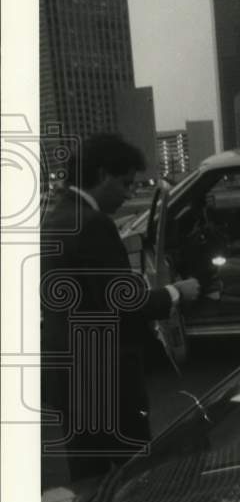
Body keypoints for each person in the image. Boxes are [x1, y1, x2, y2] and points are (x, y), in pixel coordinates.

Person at [41, 134, 201, 483]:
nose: (129, 194)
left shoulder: (57, 215)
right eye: (126, 183)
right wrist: (176, 291)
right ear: (102, 174)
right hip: (106, 381)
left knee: (88, 480)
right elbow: (124, 303)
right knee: (135, 477)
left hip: (70, 378)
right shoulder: (93, 224)